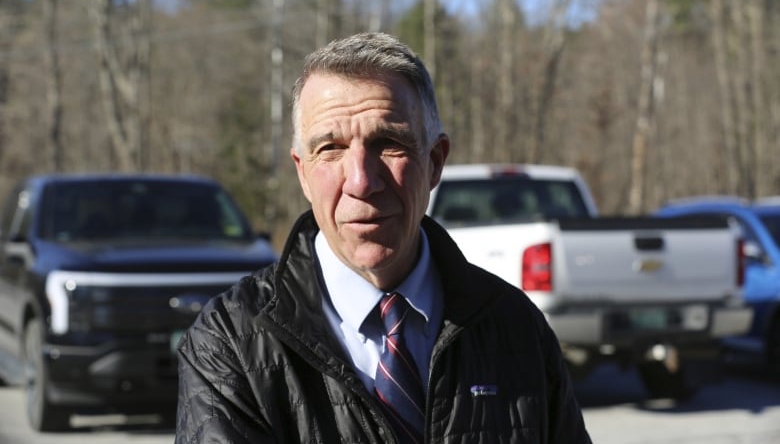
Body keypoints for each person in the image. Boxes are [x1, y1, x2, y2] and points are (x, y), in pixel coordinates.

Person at [175, 32, 592, 443]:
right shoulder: (230, 341)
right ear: (302, 172)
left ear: (434, 162)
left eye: (388, 143)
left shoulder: (515, 328)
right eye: (331, 149)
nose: (361, 181)